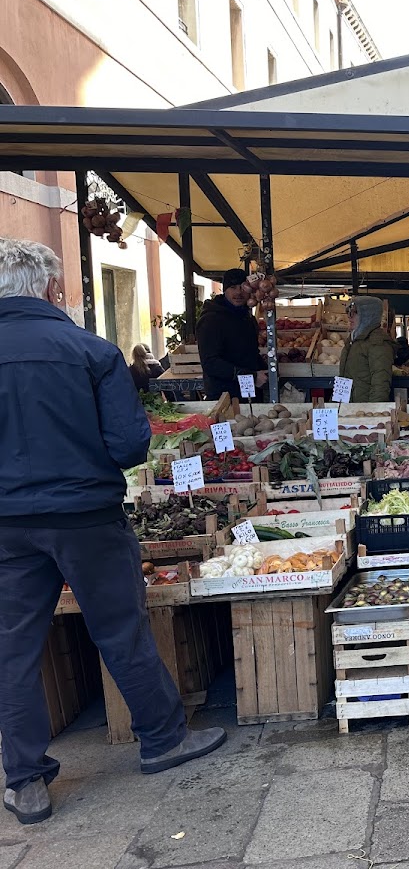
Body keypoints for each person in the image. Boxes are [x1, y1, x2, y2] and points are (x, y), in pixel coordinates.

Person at [0, 238, 226, 825]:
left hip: (5, 526)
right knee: (120, 630)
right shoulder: (89, 351)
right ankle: (163, 739)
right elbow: (130, 446)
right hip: (86, 516)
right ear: (50, 288)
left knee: (13, 648)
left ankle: (24, 779)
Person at [195, 268, 267, 399]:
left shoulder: (247, 318)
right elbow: (210, 363)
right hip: (224, 396)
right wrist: (252, 376)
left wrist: (266, 370)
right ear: (224, 290)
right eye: (233, 287)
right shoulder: (211, 320)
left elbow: (250, 353)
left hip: (248, 394)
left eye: (242, 287)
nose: (238, 292)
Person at [339, 296, 395, 402]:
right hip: (349, 410)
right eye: (348, 312)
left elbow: (380, 384)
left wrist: (373, 412)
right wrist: (338, 405)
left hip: (364, 411)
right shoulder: (352, 341)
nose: (349, 317)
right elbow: (343, 378)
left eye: (354, 312)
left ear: (367, 315)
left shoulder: (378, 343)